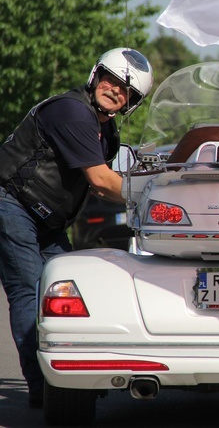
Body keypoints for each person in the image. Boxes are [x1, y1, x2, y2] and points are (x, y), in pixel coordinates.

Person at [0, 48, 153, 408]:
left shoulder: (106, 130)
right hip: (12, 203)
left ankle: (68, 380)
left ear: (131, 101)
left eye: (125, 89)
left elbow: (116, 181)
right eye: (111, 80)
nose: (115, 90)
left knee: (69, 293)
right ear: (96, 76)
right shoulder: (72, 111)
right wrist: (156, 193)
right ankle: (43, 387)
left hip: (47, 220)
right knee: (30, 291)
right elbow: (101, 181)